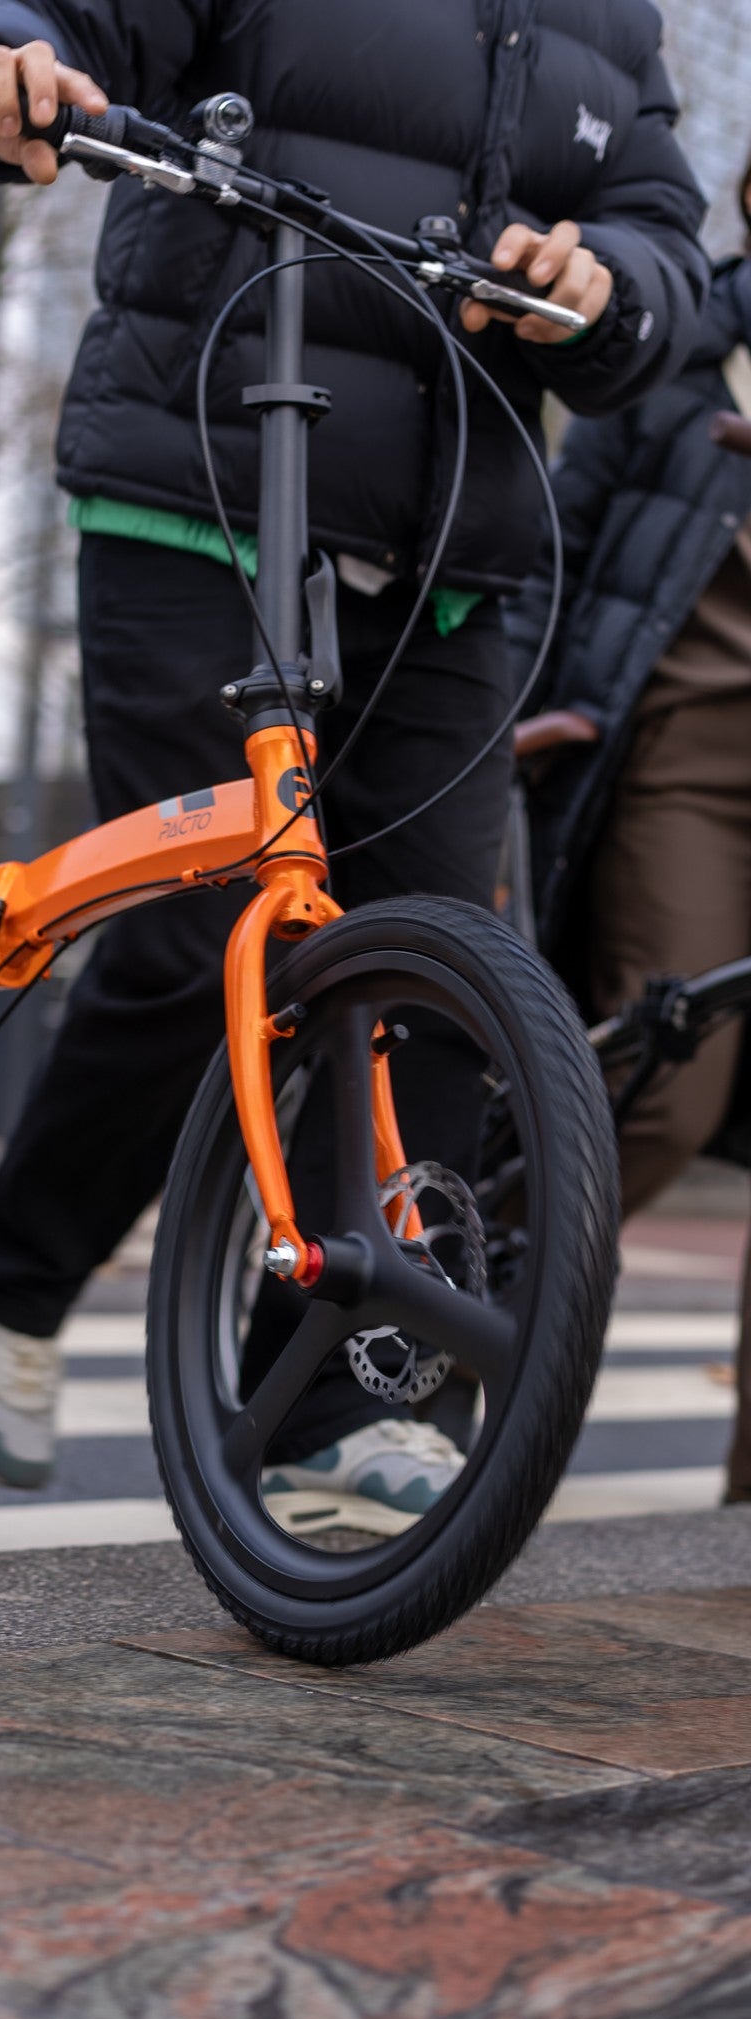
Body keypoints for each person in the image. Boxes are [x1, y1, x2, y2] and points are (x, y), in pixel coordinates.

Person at [0, 0, 706, 1519]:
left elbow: (656, 222)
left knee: (446, 979)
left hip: (459, 535)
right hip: (203, 471)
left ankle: (338, 1401)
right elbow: (40, 23)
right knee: (210, 934)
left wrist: (605, 282)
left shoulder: (616, 14)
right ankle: (17, 1279)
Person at [508, 150, 751, 1506]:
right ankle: (444, 1324)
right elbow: (552, 544)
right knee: (666, 1081)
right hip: (686, 762)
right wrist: (519, 724)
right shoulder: (669, 356)